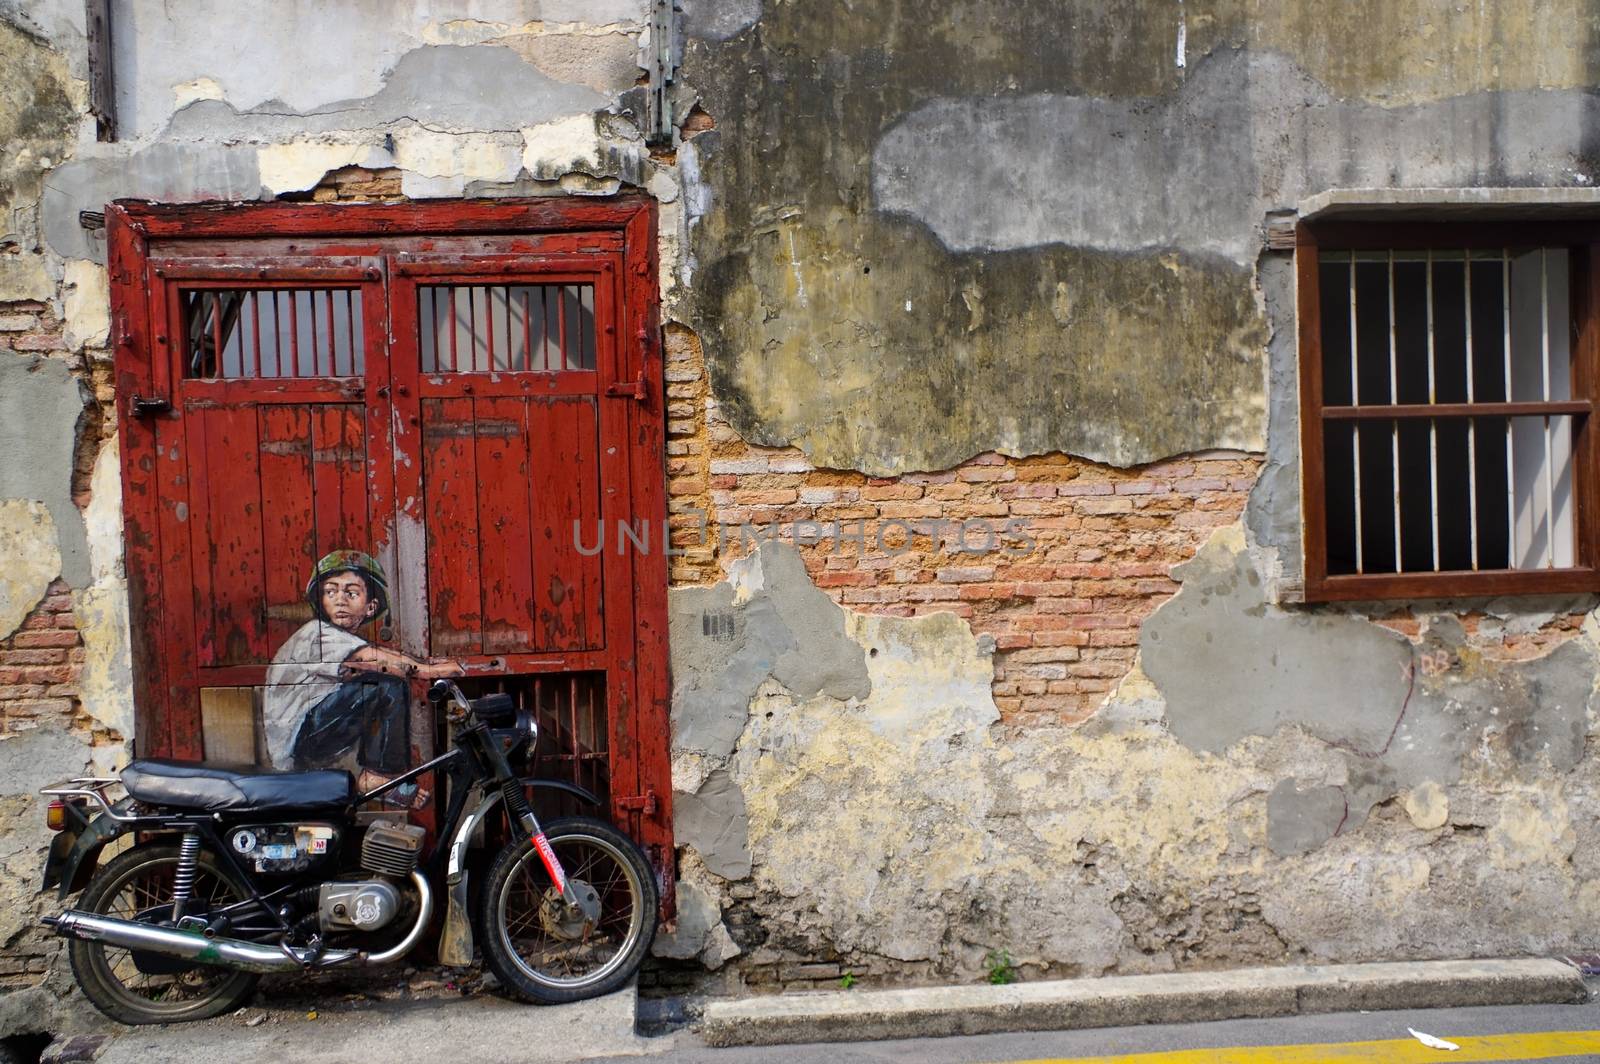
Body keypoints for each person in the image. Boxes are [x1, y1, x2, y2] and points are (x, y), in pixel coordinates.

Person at [262, 550, 462, 801]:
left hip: (310, 738)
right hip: (299, 740)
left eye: (351, 593)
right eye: (330, 592)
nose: (340, 600)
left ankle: (373, 776)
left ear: (371, 607)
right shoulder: (317, 634)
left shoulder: (342, 640)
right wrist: (429, 670)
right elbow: (375, 660)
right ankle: (376, 775)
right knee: (385, 686)